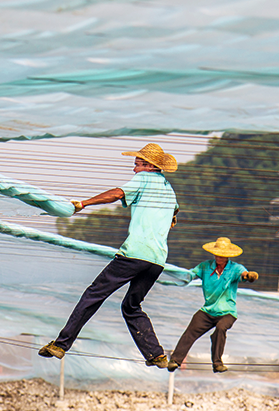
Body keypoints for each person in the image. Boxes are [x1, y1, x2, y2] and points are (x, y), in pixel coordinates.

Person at [38, 143, 180, 369]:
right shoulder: (169, 189)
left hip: (134, 253)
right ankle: (157, 355)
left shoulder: (144, 179)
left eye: (136, 165)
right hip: (157, 260)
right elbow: (174, 215)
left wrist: (84, 203)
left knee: (93, 295)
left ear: (149, 165)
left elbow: (116, 194)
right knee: (132, 307)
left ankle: (61, 345)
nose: (134, 170)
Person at [167, 237, 259, 373]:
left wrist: (249, 276)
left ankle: (217, 363)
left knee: (221, 328)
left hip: (227, 312)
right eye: (217, 253)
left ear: (227, 255)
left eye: (222, 254)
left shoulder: (234, 268)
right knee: (190, 331)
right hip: (208, 310)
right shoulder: (205, 266)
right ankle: (175, 360)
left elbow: (244, 274)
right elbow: (190, 274)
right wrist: (169, 272)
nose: (219, 257)